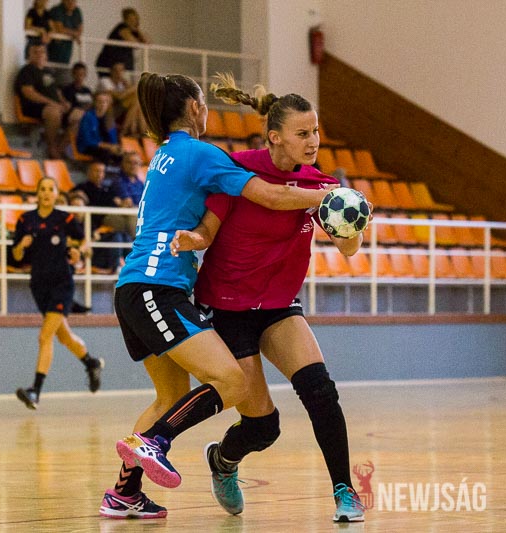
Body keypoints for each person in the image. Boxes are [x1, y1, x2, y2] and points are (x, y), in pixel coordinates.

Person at [98, 72, 335, 520]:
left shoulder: (166, 153)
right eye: (205, 103)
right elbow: (269, 195)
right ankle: (154, 442)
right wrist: (329, 194)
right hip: (156, 288)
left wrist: (197, 238)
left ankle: (124, 493)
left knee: (169, 398)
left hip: (135, 288)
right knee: (232, 381)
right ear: (194, 108)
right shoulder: (200, 153)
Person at [170, 78, 367, 522]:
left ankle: (344, 491)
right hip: (227, 308)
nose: (313, 141)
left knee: (321, 391)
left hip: (278, 306)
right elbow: (208, 230)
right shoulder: (237, 169)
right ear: (274, 136)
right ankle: (223, 460)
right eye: (303, 133)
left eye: (316, 131)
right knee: (263, 426)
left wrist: (352, 221)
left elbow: (349, 249)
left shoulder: (320, 185)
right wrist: (192, 239)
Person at [12, 177, 104, 410]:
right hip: (38, 285)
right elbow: (16, 256)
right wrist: (21, 246)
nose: (45, 193)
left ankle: (35, 391)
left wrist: (79, 252)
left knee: (45, 336)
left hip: (62, 283)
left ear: (56, 194)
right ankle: (91, 362)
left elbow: (85, 243)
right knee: (64, 337)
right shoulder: (25, 220)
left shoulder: (64, 218)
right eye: (41, 189)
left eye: (50, 189)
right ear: (37, 193)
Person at [14, 44, 71, 159]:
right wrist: (51, 103)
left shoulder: (49, 71)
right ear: (29, 55)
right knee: (53, 112)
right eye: (35, 52)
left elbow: (56, 91)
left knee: (80, 116)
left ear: (46, 55)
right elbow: (28, 92)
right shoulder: (26, 71)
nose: (39, 54)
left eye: (42, 52)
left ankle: (60, 147)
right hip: (35, 106)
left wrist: (64, 102)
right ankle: (51, 147)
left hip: (54, 105)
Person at [97, 62, 147, 136]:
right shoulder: (105, 81)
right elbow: (119, 97)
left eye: (121, 70)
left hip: (121, 109)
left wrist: (128, 85)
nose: (118, 73)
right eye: (116, 70)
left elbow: (128, 96)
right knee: (136, 92)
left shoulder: (121, 83)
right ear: (111, 71)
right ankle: (132, 131)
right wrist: (133, 88)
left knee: (137, 102)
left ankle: (130, 130)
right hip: (108, 109)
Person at [96, 7, 150, 73]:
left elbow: (147, 42)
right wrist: (139, 39)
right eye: (131, 20)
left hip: (123, 64)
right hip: (109, 64)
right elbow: (135, 44)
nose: (133, 22)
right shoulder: (122, 28)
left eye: (135, 19)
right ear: (125, 20)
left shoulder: (134, 31)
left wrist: (138, 29)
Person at [76, 91, 122, 165]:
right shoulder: (88, 117)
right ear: (95, 103)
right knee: (105, 153)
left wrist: (115, 148)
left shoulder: (110, 119)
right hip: (89, 146)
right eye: (99, 101)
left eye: (105, 102)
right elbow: (88, 140)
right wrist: (109, 147)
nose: (102, 104)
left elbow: (113, 139)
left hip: (107, 147)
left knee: (121, 155)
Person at [47, 0, 83, 66]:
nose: (71, 2)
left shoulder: (76, 11)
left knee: (64, 68)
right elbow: (60, 29)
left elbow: (80, 30)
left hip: (66, 51)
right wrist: (74, 33)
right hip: (53, 50)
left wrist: (74, 33)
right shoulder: (57, 10)